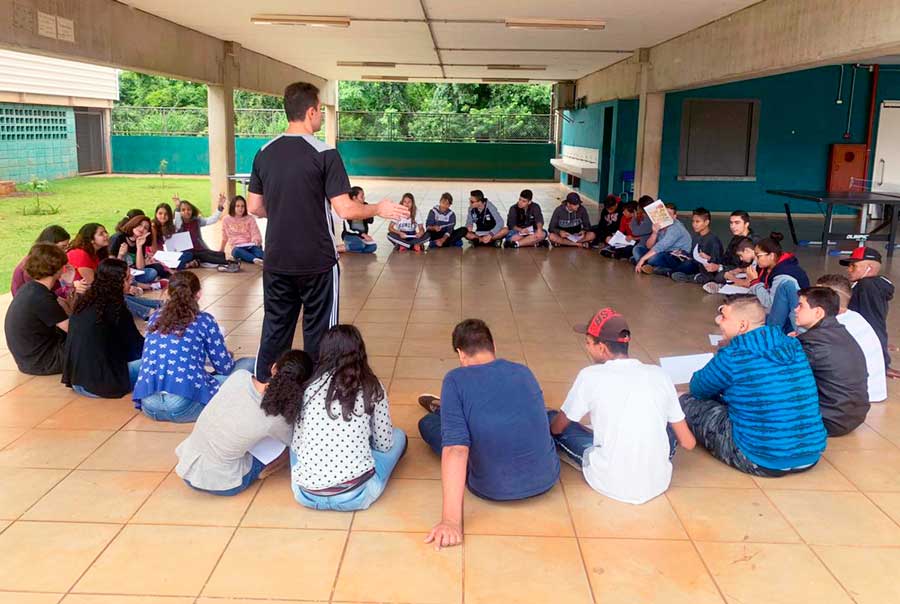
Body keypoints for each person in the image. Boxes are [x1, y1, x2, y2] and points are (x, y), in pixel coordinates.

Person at [247, 81, 408, 379]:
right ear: (311, 112)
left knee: (275, 329)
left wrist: (285, 209)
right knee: (321, 335)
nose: (320, 115)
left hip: (277, 261)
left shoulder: (263, 152)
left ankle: (265, 392)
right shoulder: (325, 154)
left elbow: (255, 207)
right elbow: (345, 209)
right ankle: (317, 399)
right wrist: (378, 209)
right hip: (317, 262)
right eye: (320, 110)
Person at [417, 319, 560, 550]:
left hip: (492, 487)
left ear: (460, 354)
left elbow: (456, 449)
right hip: (546, 478)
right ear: (493, 345)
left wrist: (451, 522)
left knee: (428, 424)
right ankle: (446, 408)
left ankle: (442, 410)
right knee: (545, 414)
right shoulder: (523, 371)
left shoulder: (455, 379)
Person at [548, 308, 695, 504]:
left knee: (551, 417)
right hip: (657, 481)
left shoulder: (590, 376)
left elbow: (558, 428)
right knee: (666, 418)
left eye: (588, 343)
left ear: (602, 348)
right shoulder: (659, 375)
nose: (587, 348)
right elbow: (688, 443)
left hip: (610, 480)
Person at [680, 295, 826, 476]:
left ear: (742, 326)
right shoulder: (793, 345)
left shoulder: (734, 355)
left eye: (724, 317)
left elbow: (698, 388)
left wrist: (723, 352)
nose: (719, 322)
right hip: (810, 454)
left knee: (686, 402)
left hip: (760, 459)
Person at [290, 325, 406, 511]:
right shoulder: (372, 387)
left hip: (305, 494)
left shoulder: (308, 388)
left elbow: (296, 445)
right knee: (398, 436)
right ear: (360, 352)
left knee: (296, 445)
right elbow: (383, 445)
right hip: (356, 495)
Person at [176, 349, 314, 496]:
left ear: (274, 368)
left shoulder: (239, 376)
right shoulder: (276, 418)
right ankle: (260, 471)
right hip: (224, 483)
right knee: (286, 444)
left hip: (186, 466)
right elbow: (292, 441)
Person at [133, 272, 256, 422]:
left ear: (168, 293)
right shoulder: (204, 320)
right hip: (182, 405)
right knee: (248, 365)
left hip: (149, 405)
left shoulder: (155, 317)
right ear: (199, 294)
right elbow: (225, 368)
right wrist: (226, 357)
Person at [62, 258, 144, 399]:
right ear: (117, 282)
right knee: (159, 358)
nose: (131, 280)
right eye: (127, 277)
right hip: (102, 384)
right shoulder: (116, 308)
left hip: (77, 380)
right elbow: (137, 347)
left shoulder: (85, 301)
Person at [794, 287, 869, 436]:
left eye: (801, 305)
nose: (795, 309)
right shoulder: (838, 331)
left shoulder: (814, 341)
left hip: (829, 420)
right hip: (852, 415)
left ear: (818, 312)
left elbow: (783, 372)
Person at [67, 222, 161, 322]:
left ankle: (155, 305)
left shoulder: (99, 252)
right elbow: (94, 283)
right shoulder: (79, 254)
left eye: (105, 232)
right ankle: (149, 311)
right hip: (83, 294)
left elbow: (112, 274)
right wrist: (124, 287)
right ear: (91, 239)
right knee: (113, 294)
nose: (106, 235)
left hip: (98, 288)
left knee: (124, 284)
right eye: (101, 234)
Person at [816, 274, 887, 402]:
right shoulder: (853, 317)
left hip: (855, 397)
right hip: (869, 392)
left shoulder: (836, 325)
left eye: (816, 296)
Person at [4, 243, 69, 375]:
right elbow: (74, 328)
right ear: (59, 268)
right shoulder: (41, 297)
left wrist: (69, 286)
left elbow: (67, 311)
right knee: (94, 341)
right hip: (42, 362)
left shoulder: (32, 288)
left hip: (29, 360)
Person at [841, 246, 898, 379]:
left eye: (853, 266)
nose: (849, 270)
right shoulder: (873, 284)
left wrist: (882, 363)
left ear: (869, 268)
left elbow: (873, 323)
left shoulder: (866, 287)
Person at [744, 233, 809, 334]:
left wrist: (754, 282)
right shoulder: (769, 267)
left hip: (790, 320)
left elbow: (770, 304)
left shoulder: (784, 275)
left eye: (758, 256)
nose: (755, 260)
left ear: (771, 256)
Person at [697, 210, 759, 288]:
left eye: (737, 223)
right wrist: (710, 258)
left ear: (746, 224)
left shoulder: (753, 241)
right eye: (731, 223)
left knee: (720, 276)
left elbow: (746, 266)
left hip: (744, 272)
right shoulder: (736, 238)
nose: (733, 226)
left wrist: (720, 267)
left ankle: (703, 279)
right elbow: (726, 258)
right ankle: (704, 278)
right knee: (706, 265)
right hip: (731, 269)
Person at [110, 214, 170, 289]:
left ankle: (137, 285)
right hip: (120, 274)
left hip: (133, 272)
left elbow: (140, 267)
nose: (142, 229)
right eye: (139, 225)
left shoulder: (141, 240)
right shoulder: (118, 238)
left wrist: (139, 246)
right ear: (133, 224)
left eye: (145, 228)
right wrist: (121, 255)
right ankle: (148, 286)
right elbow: (111, 268)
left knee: (153, 271)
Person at [173, 196, 233, 270]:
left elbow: (211, 220)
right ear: (179, 211)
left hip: (200, 249)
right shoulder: (178, 223)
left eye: (189, 209)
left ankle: (216, 261)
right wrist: (177, 207)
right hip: (188, 252)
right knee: (205, 256)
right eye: (183, 210)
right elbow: (178, 224)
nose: (186, 212)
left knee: (218, 254)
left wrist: (220, 207)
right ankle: (228, 263)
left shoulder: (196, 221)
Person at [11, 225, 71, 297]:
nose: (65, 251)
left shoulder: (43, 260)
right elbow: (44, 295)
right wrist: (68, 287)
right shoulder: (34, 265)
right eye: (62, 247)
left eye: (67, 247)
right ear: (51, 245)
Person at [634, 203, 692, 275]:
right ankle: (650, 266)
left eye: (669, 214)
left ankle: (652, 267)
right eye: (665, 213)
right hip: (663, 252)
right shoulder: (661, 225)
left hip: (676, 256)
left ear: (674, 217)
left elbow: (660, 247)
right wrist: (654, 233)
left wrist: (642, 259)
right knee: (637, 249)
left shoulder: (675, 228)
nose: (666, 216)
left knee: (653, 258)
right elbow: (648, 246)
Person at [670, 207, 725, 282]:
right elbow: (693, 255)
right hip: (695, 263)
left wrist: (708, 257)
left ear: (706, 222)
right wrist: (682, 253)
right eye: (693, 221)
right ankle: (671, 272)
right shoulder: (696, 237)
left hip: (704, 268)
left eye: (697, 222)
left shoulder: (713, 240)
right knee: (671, 258)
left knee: (687, 265)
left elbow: (717, 261)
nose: (694, 224)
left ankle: (669, 272)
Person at [221, 194, 265, 265]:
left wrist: (256, 240)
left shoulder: (250, 218)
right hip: (237, 247)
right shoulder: (226, 220)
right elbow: (224, 237)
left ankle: (267, 260)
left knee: (258, 251)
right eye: (237, 206)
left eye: (242, 206)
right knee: (236, 251)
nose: (240, 208)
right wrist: (221, 249)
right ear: (233, 207)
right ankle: (255, 259)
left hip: (251, 245)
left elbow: (255, 232)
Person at [341, 186, 377, 254]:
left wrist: (366, 211)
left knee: (373, 247)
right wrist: (363, 234)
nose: (364, 198)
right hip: (350, 235)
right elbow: (348, 229)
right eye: (362, 196)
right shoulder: (347, 209)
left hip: (362, 237)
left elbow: (371, 221)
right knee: (361, 245)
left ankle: (350, 248)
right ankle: (338, 248)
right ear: (354, 198)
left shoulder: (365, 205)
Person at [627, 196, 655, 261]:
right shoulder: (647, 217)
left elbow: (635, 232)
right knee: (632, 256)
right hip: (646, 245)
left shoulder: (649, 219)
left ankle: (643, 262)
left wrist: (634, 216)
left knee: (636, 249)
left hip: (648, 247)